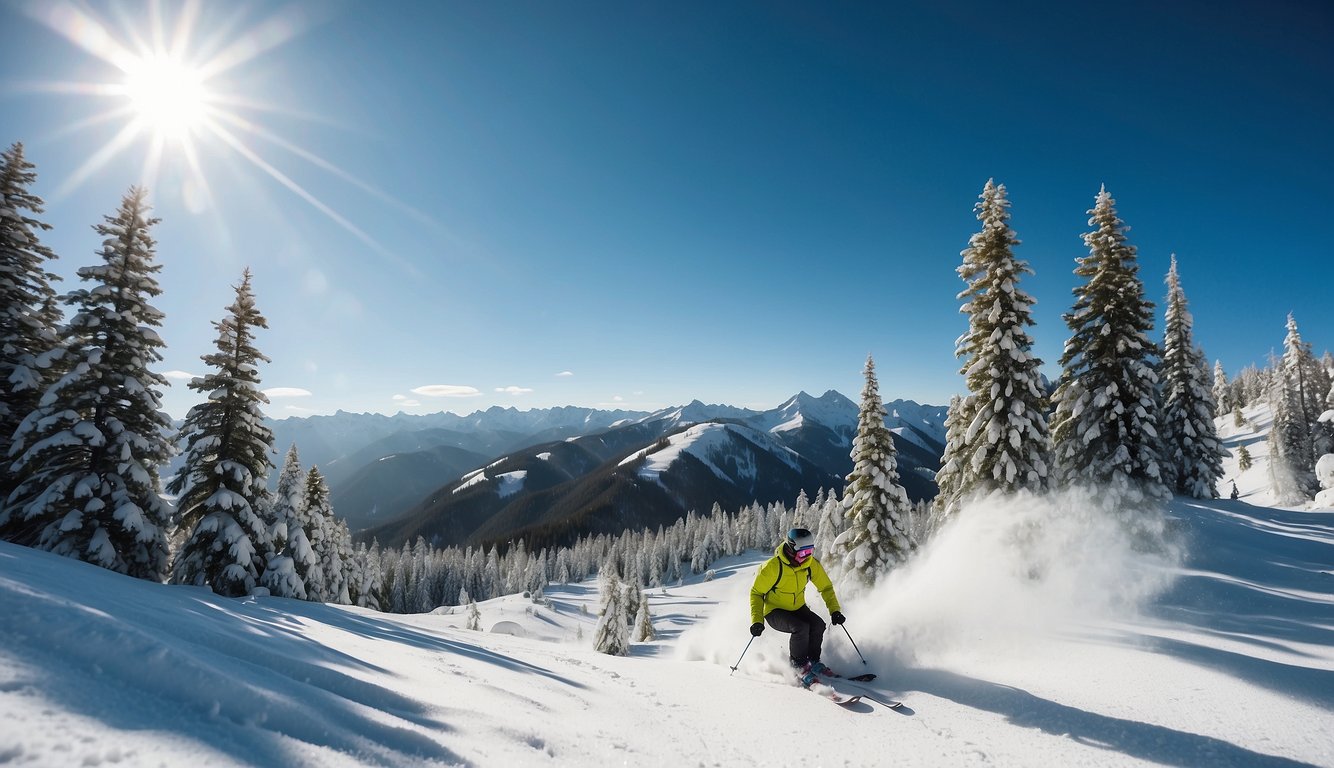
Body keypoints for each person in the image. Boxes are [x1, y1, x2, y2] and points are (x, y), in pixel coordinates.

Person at [748, 527, 845, 687]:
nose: (807, 556)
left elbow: (825, 587)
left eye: (810, 552)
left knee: (817, 625)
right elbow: (756, 593)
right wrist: (757, 621)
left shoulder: (810, 564)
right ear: (791, 549)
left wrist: (834, 610)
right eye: (803, 553)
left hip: (798, 608)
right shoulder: (773, 567)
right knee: (800, 627)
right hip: (775, 611)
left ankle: (813, 661)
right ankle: (798, 667)